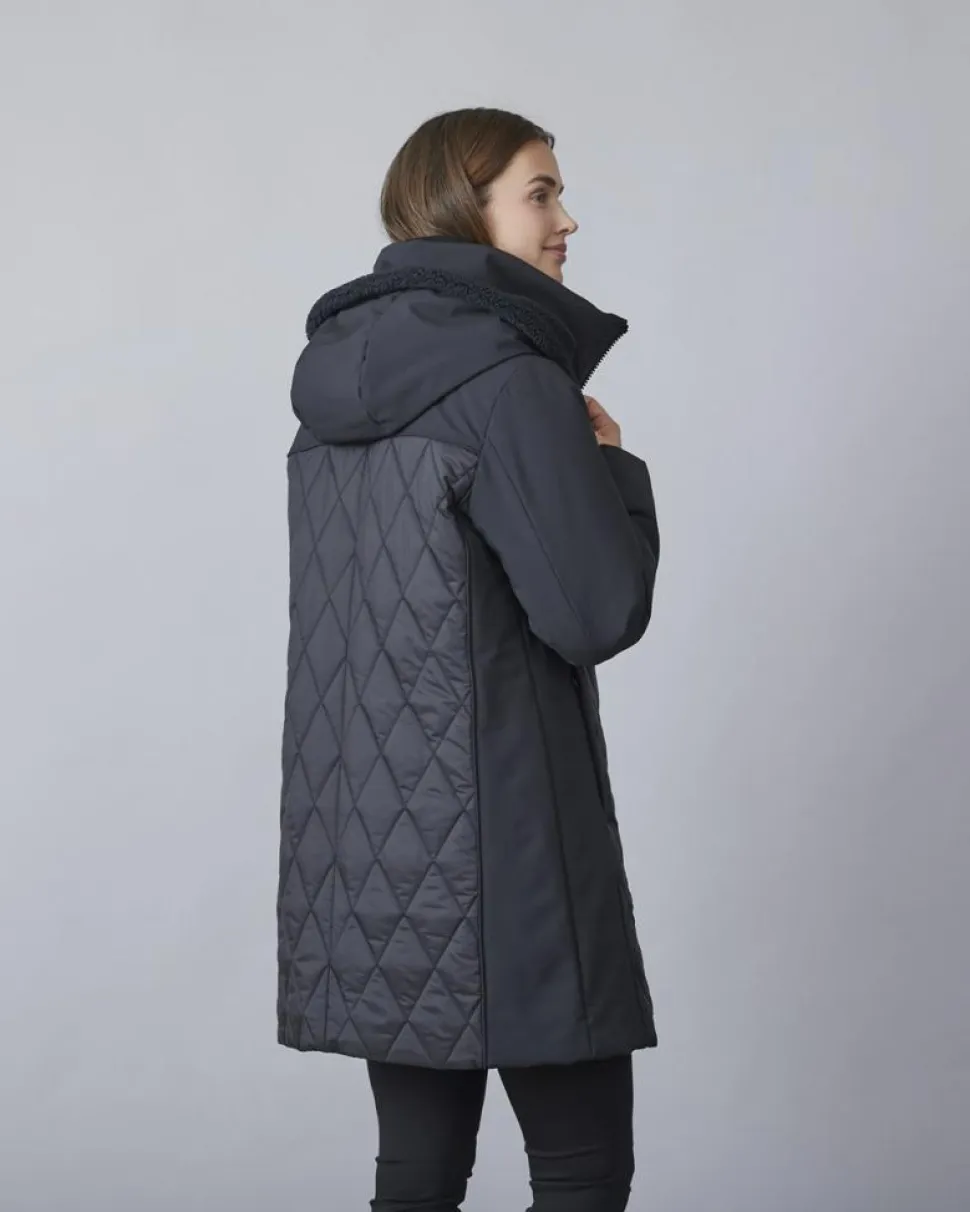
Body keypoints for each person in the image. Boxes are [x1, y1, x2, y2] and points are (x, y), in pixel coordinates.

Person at [276, 107, 661, 1212]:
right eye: (541, 193)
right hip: (510, 844)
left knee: (417, 1171)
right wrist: (613, 469)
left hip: (369, 848)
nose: (566, 219)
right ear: (465, 210)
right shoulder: (511, 383)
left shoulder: (327, 400)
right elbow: (594, 613)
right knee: (581, 1169)